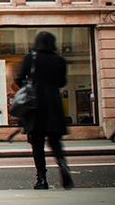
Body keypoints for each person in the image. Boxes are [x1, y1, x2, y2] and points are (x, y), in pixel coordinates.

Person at [14, 31, 73, 190]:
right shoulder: (59, 60)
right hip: (53, 104)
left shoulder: (31, 58)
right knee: (55, 140)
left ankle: (41, 179)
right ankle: (62, 163)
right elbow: (62, 82)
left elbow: (18, 79)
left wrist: (28, 86)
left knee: (37, 143)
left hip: (35, 106)